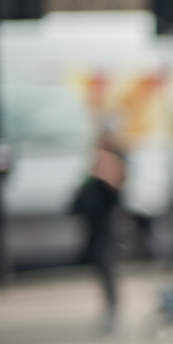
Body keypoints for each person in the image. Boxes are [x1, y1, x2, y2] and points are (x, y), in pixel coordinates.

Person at [72, 133, 126, 330]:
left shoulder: (110, 175)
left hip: (108, 230)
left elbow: (116, 190)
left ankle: (114, 310)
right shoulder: (92, 180)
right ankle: (110, 308)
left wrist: (103, 172)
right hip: (96, 230)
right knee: (101, 269)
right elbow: (77, 203)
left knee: (107, 269)